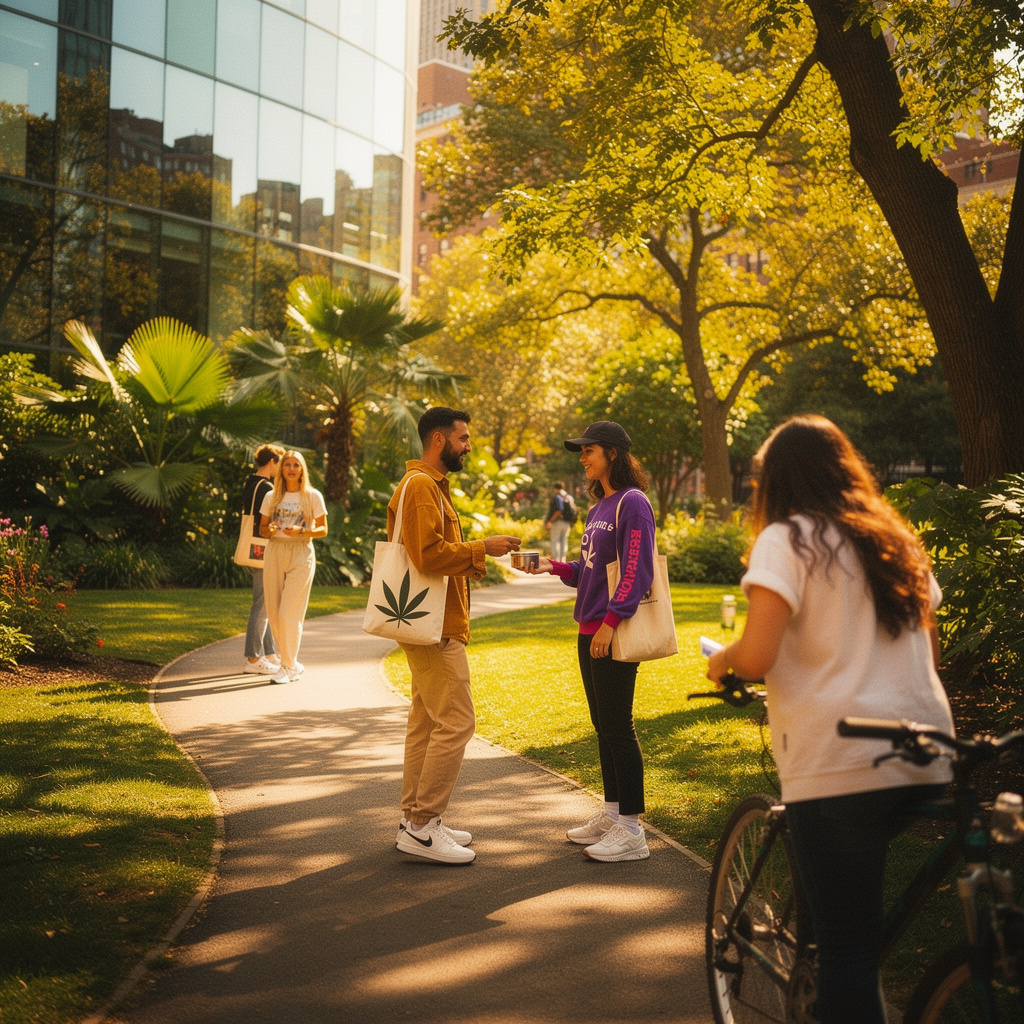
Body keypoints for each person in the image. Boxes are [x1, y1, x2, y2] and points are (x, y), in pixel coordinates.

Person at [705, 415, 954, 1024]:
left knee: (847, 953)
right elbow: (933, 649)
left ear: (777, 483)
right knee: (852, 921)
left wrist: (723, 663)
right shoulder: (893, 538)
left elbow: (757, 655)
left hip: (838, 758)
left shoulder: (787, 539)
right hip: (926, 751)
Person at [392, 407, 521, 865]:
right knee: (458, 721)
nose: (469, 446)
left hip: (430, 623)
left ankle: (415, 820)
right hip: (434, 629)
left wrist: (476, 555)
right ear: (439, 441)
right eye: (463, 438)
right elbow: (427, 555)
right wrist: (482, 549)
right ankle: (424, 825)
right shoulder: (424, 486)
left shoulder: (426, 485)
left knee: (426, 722)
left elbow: (430, 553)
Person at [525, 420, 656, 863]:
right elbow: (591, 573)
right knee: (604, 726)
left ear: (613, 454)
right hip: (589, 627)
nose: (582, 458)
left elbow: (637, 573)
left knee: (619, 726)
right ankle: (613, 812)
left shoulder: (633, 503)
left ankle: (633, 831)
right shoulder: (601, 506)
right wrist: (554, 567)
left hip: (609, 631)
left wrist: (610, 624)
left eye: (589, 451)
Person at [258, 450, 328, 685]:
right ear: (281, 469)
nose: (290, 468)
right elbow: (262, 529)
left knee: (289, 613)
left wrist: (302, 531)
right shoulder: (271, 496)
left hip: (301, 552)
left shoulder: (312, 496)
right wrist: (271, 528)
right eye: (286, 464)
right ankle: (292, 664)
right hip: (275, 551)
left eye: (296, 464)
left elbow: (323, 529)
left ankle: (286, 666)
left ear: (302, 469)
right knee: (275, 613)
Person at [241, 443, 284, 675]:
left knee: (264, 602)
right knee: (262, 604)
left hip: (251, 549)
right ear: (271, 462)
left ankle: (269, 653)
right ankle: (253, 658)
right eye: (279, 463)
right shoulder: (266, 487)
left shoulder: (250, 483)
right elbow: (265, 522)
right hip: (262, 549)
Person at [544, 481, 573, 561]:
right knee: (564, 541)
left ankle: (556, 562)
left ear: (555, 489)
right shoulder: (569, 497)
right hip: (567, 523)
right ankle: (562, 561)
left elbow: (559, 510)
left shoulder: (557, 497)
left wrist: (550, 521)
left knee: (555, 541)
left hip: (557, 522)